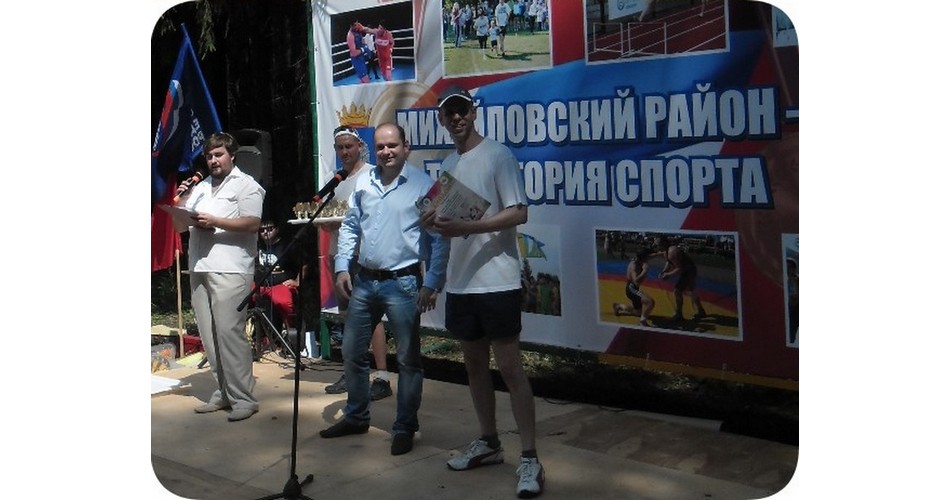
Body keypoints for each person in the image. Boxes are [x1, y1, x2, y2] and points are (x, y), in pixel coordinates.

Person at [422, 87, 544, 498]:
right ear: (442, 120)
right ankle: (489, 441)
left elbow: (520, 212)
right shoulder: (449, 163)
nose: (457, 118)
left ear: (473, 113)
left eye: (462, 110)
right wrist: (431, 220)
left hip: (498, 281)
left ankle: (530, 457)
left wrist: (467, 227)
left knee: (511, 369)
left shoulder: (498, 155)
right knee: (474, 366)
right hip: (461, 283)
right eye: (449, 113)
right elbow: (442, 220)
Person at [319, 122, 448, 457]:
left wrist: (433, 282)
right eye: (380, 147)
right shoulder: (364, 181)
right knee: (351, 350)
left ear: (406, 147)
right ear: (373, 149)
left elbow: (438, 238)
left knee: (408, 360)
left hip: (404, 283)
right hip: (364, 280)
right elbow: (350, 226)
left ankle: (405, 427)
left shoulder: (423, 185)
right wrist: (342, 266)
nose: (386, 152)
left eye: (393, 145)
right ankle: (356, 416)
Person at [176, 132, 265, 422]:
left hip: (231, 267)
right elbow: (182, 224)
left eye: (219, 155)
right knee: (209, 335)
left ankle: (244, 398)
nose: (213, 160)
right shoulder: (200, 188)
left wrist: (215, 221)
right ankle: (224, 391)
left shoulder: (246, 185)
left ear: (232, 155)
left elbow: (252, 223)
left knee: (229, 333)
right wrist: (182, 200)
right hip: (200, 265)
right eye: (209, 156)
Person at [316, 125, 393, 401]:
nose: (345, 152)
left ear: (360, 146)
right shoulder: (335, 180)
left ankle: (382, 376)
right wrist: (326, 223)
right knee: (348, 314)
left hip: (365, 256)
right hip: (339, 256)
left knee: (373, 316)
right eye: (340, 148)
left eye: (349, 146)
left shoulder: (372, 174)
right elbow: (326, 218)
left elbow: (379, 216)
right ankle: (352, 372)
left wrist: (345, 223)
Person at [654, 236, 707, 322]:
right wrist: (664, 271)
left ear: (663, 244)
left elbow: (679, 268)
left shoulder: (672, 252)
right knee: (691, 290)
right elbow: (669, 262)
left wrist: (668, 274)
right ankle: (701, 311)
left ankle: (679, 315)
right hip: (688, 269)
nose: (656, 247)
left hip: (689, 271)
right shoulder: (666, 251)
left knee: (677, 291)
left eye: (657, 245)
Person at [612, 247, 656, 327]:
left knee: (638, 312)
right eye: (647, 258)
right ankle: (642, 322)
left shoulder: (639, 259)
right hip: (631, 289)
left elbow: (651, 256)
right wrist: (644, 271)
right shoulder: (634, 266)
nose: (649, 259)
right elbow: (636, 281)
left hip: (634, 288)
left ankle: (619, 306)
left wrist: (663, 253)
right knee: (650, 302)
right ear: (644, 258)